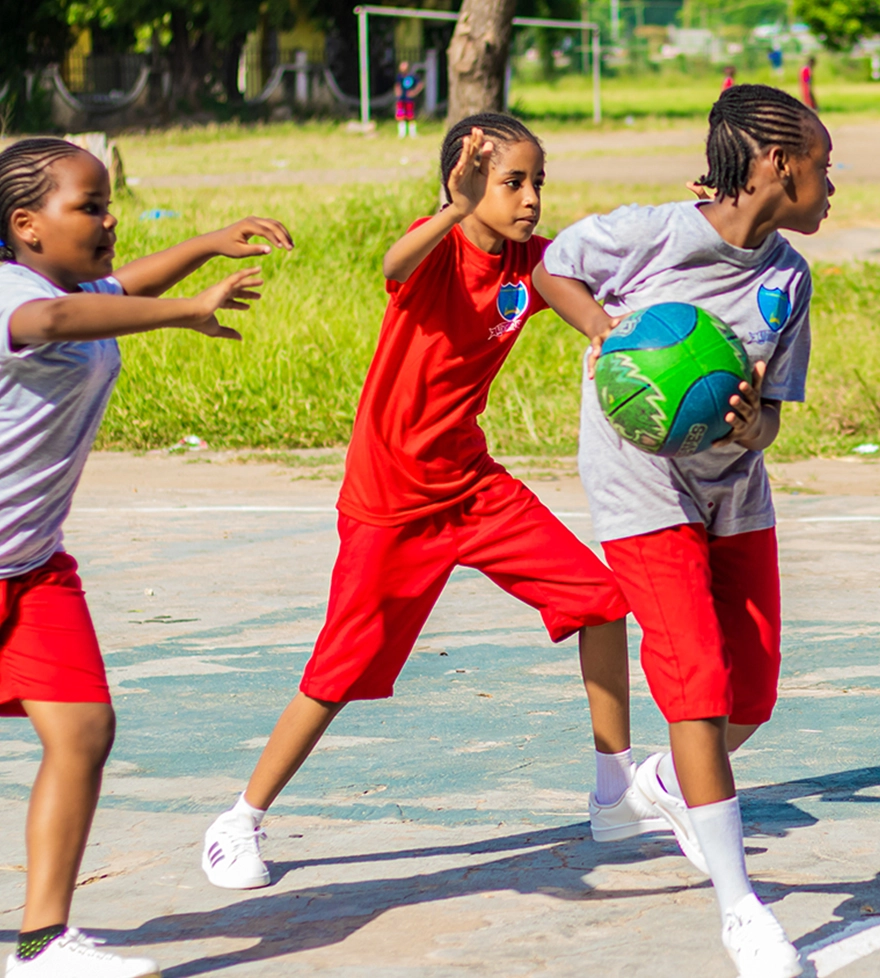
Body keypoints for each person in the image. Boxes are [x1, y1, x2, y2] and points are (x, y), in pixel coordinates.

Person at [202, 113, 644, 891]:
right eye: (513, 182)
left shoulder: (529, 262)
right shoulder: (435, 249)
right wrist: (451, 205)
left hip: (471, 486)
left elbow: (587, 293)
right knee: (339, 669)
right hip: (391, 499)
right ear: (465, 184)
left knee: (602, 600)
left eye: (538, 181)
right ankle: (240, 819)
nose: (531, 197)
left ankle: (616, 793)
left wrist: (608, 332)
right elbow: (392, 261)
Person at [534, 84, 832, 977]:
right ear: (780, 165)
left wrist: (748, 428)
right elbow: (553, 262)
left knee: (754, 693)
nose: (834, 186)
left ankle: (663, 781)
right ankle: (742, 913)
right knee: (695, 682)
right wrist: (603, 329)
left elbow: (774, 418)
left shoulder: (788, 278)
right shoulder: (655, 233)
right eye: (826, 167)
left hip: (733, 489)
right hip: (642, 487)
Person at [0, 136, 292, 977]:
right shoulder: (16, 297)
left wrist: (204, 244)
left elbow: (118, 288)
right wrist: (186, 309)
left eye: (106, 203)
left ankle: (43, 943)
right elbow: (56, 322)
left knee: (84, 728)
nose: (109, 218)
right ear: (26, 225)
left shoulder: (72, 283)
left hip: (31, 565)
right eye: (87, 207)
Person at [394, 60, 424, 139]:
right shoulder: (399, 76)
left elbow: (420, 84)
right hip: (401, 99)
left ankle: (412, 133)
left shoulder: (412, 76)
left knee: (410, 116)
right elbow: (397, 85)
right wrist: (397, 93)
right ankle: (402, 133)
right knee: (400, 116)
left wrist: (414, 92)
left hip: (409, 100)